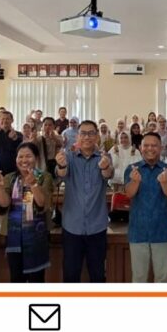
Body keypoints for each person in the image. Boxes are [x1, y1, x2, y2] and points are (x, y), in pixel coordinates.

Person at [55, 120, 113, 282]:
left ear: (97, 136)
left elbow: (108, 174)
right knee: (70, 276)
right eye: (83, 133)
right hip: (72, 228)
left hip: (97, 227)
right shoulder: (69, 157)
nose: (87, 137)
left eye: (91, 133)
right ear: (78, 137)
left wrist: (105, 167)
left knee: (98, 276)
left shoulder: (104, 157)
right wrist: (61, 165)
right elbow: (61, 173)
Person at [0, 142, 54, 282]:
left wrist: (33, 184)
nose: (24, 160)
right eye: (20, 157)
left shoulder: (45, 177)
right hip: (14, 236)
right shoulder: (9, 178)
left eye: (28, 156)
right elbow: (4, 204)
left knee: (36, 279)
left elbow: (42, 204)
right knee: (16, 278)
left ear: (36, 158)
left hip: (37, 236)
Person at [124, 133, 167, 282]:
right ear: (140, 148)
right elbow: (129, 194)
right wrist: (135, 182)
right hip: (138, 231)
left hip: (162, 231)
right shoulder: (132, 169)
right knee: (139, 278)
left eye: (154, 145)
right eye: (146, 145)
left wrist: (165, 183)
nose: (150, 148)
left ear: (160, 148)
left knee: (162, 277)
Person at [0, 110, 22, 176]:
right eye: (2, 119)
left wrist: (14, 139)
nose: (5, 121)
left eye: (7, 119)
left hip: (13, 170)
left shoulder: (18, 135)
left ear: (12, 120)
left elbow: (21, 149)